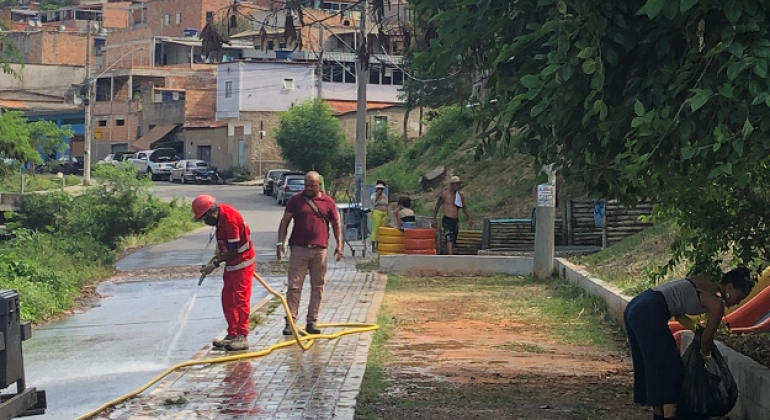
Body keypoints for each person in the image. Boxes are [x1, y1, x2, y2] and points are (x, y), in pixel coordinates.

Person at [623, 267, 754, 420]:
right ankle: (670, 415)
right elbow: (706, 340)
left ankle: (658, 415)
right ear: (730, 287)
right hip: (649, 312)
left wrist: (692, 326)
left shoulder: (704, 282)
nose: (738, 302)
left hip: (636, 306)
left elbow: (677, 307)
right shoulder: (717, 304)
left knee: (654, 368)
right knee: (672, 369)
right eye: (739, 296)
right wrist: (705, 359)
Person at [277, 171, 343, 336]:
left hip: (320, 250)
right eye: (306, 185)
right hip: (299, 249)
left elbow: (336, 224)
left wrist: (339, 244)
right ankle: (290, 321)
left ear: (318, 184)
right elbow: (285, 221)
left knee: (318, 286)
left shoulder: (328, 202)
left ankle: (312, 321)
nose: (308, 188)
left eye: (311, 186)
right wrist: (280, 243)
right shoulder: (296, 200)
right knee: (294, 286)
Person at [194, 194, 255, 351]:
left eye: (204, 219)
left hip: (242, 262)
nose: (205, 223)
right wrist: (216, 255)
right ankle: (232, 333)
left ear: (210, 213)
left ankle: (242, 336)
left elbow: (233, 249)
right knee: (227, 298)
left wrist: (214, 264)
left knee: (241, 299)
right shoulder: (220, 218)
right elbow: (224, 243)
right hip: (232, 264)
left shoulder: (230, 219)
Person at [432, 175, 473, 255]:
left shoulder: (460, 195)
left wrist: (469, 218)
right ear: (452, 185)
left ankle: (447, 251)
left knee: (453, 238)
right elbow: (437, 206)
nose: (458, 186)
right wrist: (434, 218)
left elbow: (464, 207)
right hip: (447, 219)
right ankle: (450, 256)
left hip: (455, 219)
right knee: (449, 238)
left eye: (459, 184)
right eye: (456, 184)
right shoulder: (444, 195)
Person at [369, 182, 389, 252]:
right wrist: (377, 196)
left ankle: (378, 245)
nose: (380, 190)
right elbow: (373, 203)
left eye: (381, 189)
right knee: (375, 228)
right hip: (377, 212)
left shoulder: (385, 196)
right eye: (379, 189)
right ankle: (373, 246)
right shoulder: (373, 196)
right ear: (376, 189)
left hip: (384, 213)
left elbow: (387, 204)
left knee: (382, 229)